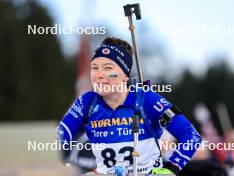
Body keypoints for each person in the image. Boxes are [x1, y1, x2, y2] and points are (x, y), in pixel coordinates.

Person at [57, 37, 202, 175]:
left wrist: (171, 169)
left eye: (108, 68)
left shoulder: (146, 99)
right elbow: (59, 137)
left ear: (125, 75)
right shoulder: (87, 102)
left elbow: (191, 136)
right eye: (95, 68)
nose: (99, 75)